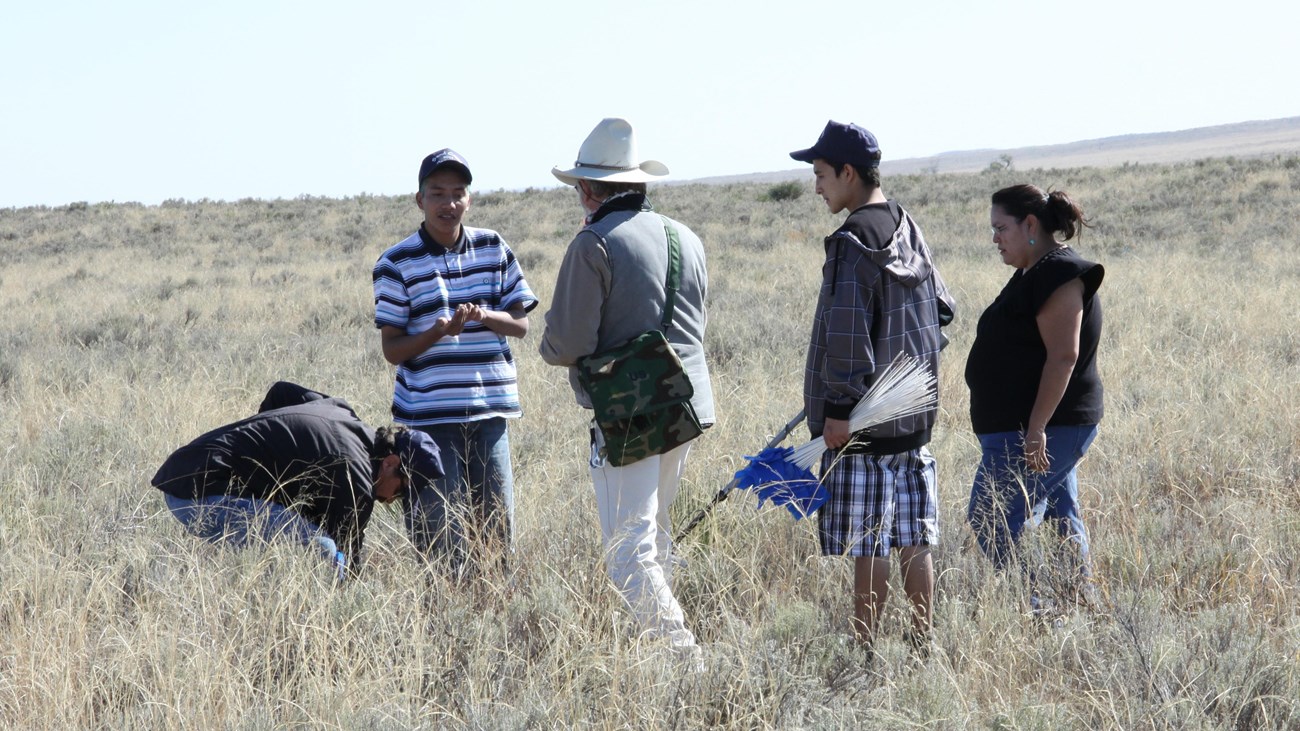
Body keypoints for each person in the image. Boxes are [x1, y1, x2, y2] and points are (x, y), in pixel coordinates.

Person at [539, 118, 714, 653]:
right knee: (655, 539)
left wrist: (548, 343)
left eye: (579, 190)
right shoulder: (686, 236)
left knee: (627, 551)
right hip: (688, 405)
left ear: (589, 190)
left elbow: (564, 344)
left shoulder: (592, 243)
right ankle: (664, 658)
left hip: (631, 410)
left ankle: (684, 660)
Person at [788, 120, 955, 650]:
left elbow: (847, 338)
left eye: (821, 174)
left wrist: (838, 409)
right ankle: (923, 644)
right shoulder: (909, 227)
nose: (817, 186)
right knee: (914, 540)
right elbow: (943, 309)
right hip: (915, 419)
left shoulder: (852, 242)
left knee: (869, 544)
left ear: (848, 172)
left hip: (861, 423)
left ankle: (865, 653)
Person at [373, 149, 538, 577]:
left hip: (489, 413)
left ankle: (498, 618)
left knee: (497, 532)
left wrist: (484, 315)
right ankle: (445, 620)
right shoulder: (395, 263)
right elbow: (393, 349)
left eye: (458, 193)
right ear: (419, 199)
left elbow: (520, 325)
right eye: (437, 193)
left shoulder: (493, 246)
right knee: (438, 534)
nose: (448, 203)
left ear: (469, 199)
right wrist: (436, 333)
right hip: (429, 420)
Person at [964, 184, 1104, 611]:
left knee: (992, 517)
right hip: (1030, 428)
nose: (995, 239)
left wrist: (1037, 428)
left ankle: (1041, 611)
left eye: (1000, 228)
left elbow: (1064, 357)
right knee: (1062, 514)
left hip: (1043, 429)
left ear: (1030, 224)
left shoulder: (1058, 275)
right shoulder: (1033, 272)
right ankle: (1080, 604)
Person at [152, 381, 444, 579]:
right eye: (403, 490)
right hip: (199, 496)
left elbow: (281, 392)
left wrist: (268, 456)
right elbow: (347, 563)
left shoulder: (341, 412)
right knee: (324, 555)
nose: (394, 499)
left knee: (304, 534)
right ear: (391, 463)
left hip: (185, 474)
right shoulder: (355, 478)